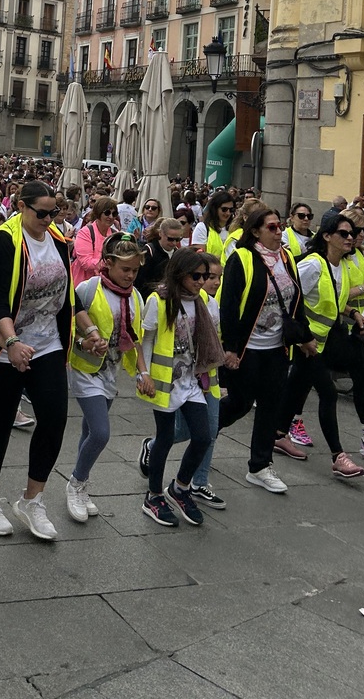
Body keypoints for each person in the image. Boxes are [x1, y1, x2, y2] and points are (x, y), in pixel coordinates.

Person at [0, 180, 73, 540]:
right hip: (3, 348)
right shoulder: (1, 241)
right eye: (41, 212)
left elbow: (66, 293)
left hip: (47, 344)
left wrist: (82, 332)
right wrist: (11, 341)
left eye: (54, 212)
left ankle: (32, 499)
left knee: (54, 418)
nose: (48, 219)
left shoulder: (59, 240)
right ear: (21, 206)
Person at [276, 212, 364, 475]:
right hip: (308, 342)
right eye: (344, 233)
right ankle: (338, 456)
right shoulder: (313, 265)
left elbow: (334, 300)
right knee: (327, 393)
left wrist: (353, 313)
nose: (352, 237)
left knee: (297, 387)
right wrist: (301, 336)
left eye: (354, 233)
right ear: (327, 236)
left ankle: (278, 434)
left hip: (322, 340)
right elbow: (290, 300)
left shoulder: (339, 264)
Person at [216, 207, 309, 494]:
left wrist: (304, 336)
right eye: (272, 227)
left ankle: (260, 466)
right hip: (247, 348)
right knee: (240, 403)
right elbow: (228, 305)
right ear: (256, 231)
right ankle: (202, 429)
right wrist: (230, 348)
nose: (279, 231)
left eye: (280, 226)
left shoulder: (287, 258)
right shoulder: (241, 258)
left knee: (271, 405)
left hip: (277, 348)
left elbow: (296, 300)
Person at [66, 233, 152, 521]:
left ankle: (81, 483)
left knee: (89, 432)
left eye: (135, 270)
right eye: (125, 269)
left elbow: (136, 339)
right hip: (85, 369)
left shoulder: (136, 297)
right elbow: (70, 324)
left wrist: (143, 372)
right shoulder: (90, 289)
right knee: (101, 433)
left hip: (110, 373)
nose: (130, 275)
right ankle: (76, 483)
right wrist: (84, 342)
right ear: (108, 264)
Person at [138, 249, 225, 527]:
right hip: (165, 383)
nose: (202, 281)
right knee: (163, 440)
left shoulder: (203, 302)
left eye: (205, 276)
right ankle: (153, 496)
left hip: (191, 382)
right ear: (180, 274)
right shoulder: (159, 301)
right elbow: (145, 339)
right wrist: (145, 375)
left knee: (203, 436)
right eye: (196, 276)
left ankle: (180, 487)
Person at [71, 196, 119, 286]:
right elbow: (86, 263)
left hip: (106, 285)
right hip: (83, 284)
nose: (111, 217)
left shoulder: (115, 234)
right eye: (107, 213)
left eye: (114, 213)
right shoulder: (85, 232)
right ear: (98, 213)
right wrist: (112, 264)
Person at [135, 218, 184, 297]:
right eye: (170, 239)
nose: (174, 243)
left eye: (178, 239)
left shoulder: (178, 254)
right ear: (160, 233)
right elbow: (140, 283)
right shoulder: (149, 251)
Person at [191, 191, 234, 257]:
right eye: (224, 209)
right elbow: (199, 258)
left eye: (231, 210)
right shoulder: (202, 228)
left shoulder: (236, 229)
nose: (228, 213)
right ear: (215, 209)